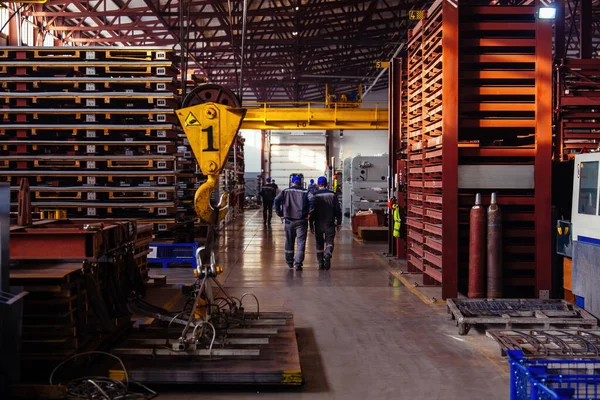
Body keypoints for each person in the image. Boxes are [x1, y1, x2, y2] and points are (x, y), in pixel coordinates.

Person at [274, 175, 315, 270]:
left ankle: (289, 262)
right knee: (301, 242)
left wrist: (279, 213)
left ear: (291, 183)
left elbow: (276, 200)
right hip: (301, 221)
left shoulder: (285, 191)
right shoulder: (305, 191)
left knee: (289, 241)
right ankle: (298, 263)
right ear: (300, 182)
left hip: (289, 221)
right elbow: (313, 199)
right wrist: (309, 212)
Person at [310, 176, 342, 270]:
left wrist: (311, 224)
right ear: (326, 183)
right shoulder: (332, 195)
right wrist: (339, 222)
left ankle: (320, 262)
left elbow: (311, 211)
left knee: (319, 242)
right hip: (330, 222)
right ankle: (327, 254)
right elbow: (337, 209)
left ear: (318, 184)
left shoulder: (314, 195)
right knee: (329, 242)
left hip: (318, 222)